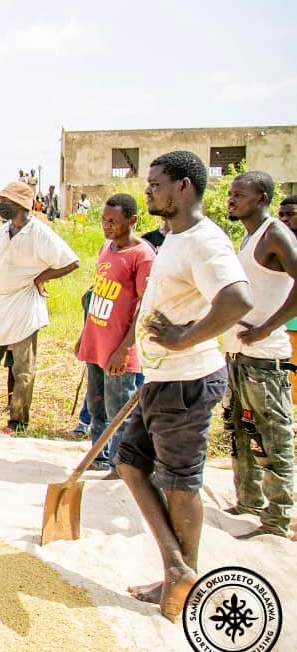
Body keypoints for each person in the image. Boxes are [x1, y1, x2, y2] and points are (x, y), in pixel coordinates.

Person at [118, 150, 252, 621]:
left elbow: (237, 298)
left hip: (187, 381)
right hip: (161, 380)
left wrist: (181, 338)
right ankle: (176, 567)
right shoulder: (176, 237)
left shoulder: (204, 241)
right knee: (129, 462)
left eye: (156, 183)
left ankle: (182, 579)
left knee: (180, 483)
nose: (148, 189)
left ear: (184, 188)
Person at [223, 171, 297, 539]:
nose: (231, 200)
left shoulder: (275, 234)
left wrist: (267, 327)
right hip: (239, 354)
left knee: (273, 437)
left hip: (264, 358)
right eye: (231, 194)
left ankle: (278, 517)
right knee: (241, 430)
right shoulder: (250, 237)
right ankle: (248, 501)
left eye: (240, 195)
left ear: (262, 197)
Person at [0, 181, 79, 432]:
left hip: (24, 306)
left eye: (6, 203)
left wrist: (41, 278)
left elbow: (71, 261)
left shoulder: (40, 233)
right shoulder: (2, 233)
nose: (1, 207)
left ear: (21, 205)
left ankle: (18, 422)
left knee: (22, 370)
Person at [74, 193, 154, 475]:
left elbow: (146, 307)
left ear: (131, 220)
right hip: (97, 341)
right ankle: (100, 456)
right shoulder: (106, 248)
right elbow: (98, 293)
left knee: (118, 411)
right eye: (104, 220)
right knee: (96, 407)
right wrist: (85, 335)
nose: (106, 226)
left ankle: (121, 466)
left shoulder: (142, 255)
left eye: (113, 221)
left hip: (120, 348)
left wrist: (124, 348)